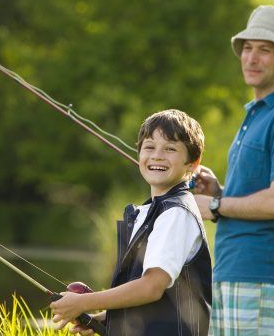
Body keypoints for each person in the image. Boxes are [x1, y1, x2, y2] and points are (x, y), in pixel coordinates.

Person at [193, 5, 274, 335]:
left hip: (261, 270)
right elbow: (261, 195)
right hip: (233, 269)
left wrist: (217, 207)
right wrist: (220, 192)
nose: (251, 58)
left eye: (264, 50)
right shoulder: (259, 113)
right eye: (247, 48)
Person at [51, 109, 212, 335]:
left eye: (170, 148)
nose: (157, 155)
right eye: (149, 147)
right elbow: (160, 299)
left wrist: (82, 303)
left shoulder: (176, 214)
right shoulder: (152, 211)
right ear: (139, 155)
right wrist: (108, 318)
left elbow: (152, 287)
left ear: (192, 164)